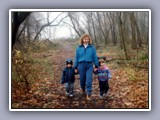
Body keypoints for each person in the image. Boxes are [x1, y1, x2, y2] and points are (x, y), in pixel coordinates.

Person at [74, 34, 99, 100]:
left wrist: (96, 65)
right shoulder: (78, 48)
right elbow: (76, 58)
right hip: (81, 65)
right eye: (85, 39)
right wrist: (75, 67)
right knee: (82, 80)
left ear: (89, 40)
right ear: (82, 40)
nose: (86, 40)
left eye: (87, 39)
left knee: (89, 80)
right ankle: (83, 89)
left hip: (89, 65)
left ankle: (88, 93)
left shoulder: (92, 48)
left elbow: (95, 57)